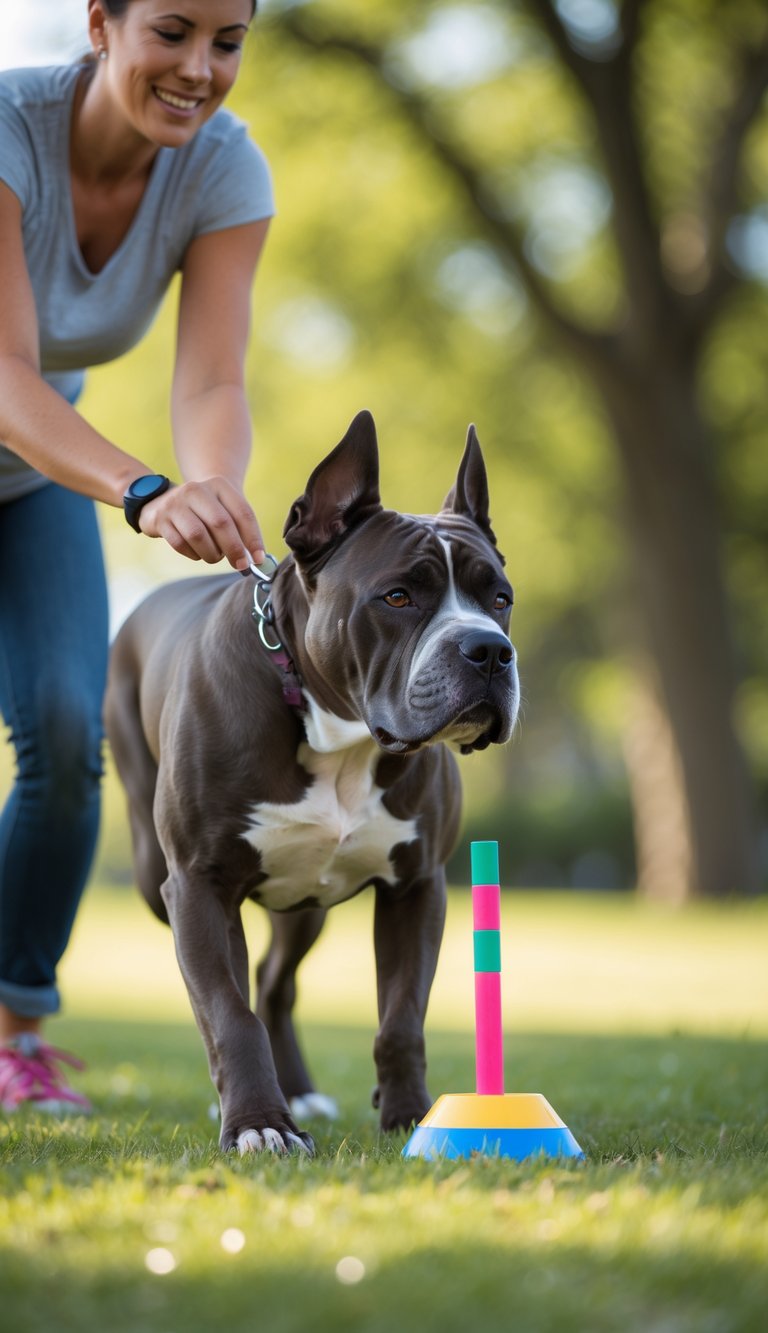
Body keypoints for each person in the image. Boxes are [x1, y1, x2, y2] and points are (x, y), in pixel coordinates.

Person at [0, 0, 273, 1112]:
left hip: (30, 479)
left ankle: (13, 1036)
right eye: (172, 30)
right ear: (101, 24)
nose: (200, 69)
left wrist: (210, 490)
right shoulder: (11, 130)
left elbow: (211, 381)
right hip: (41, 435)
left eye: (228, 42)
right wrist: (144, 488)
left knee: (68, 730)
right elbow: (5, 373)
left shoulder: (225, 172)